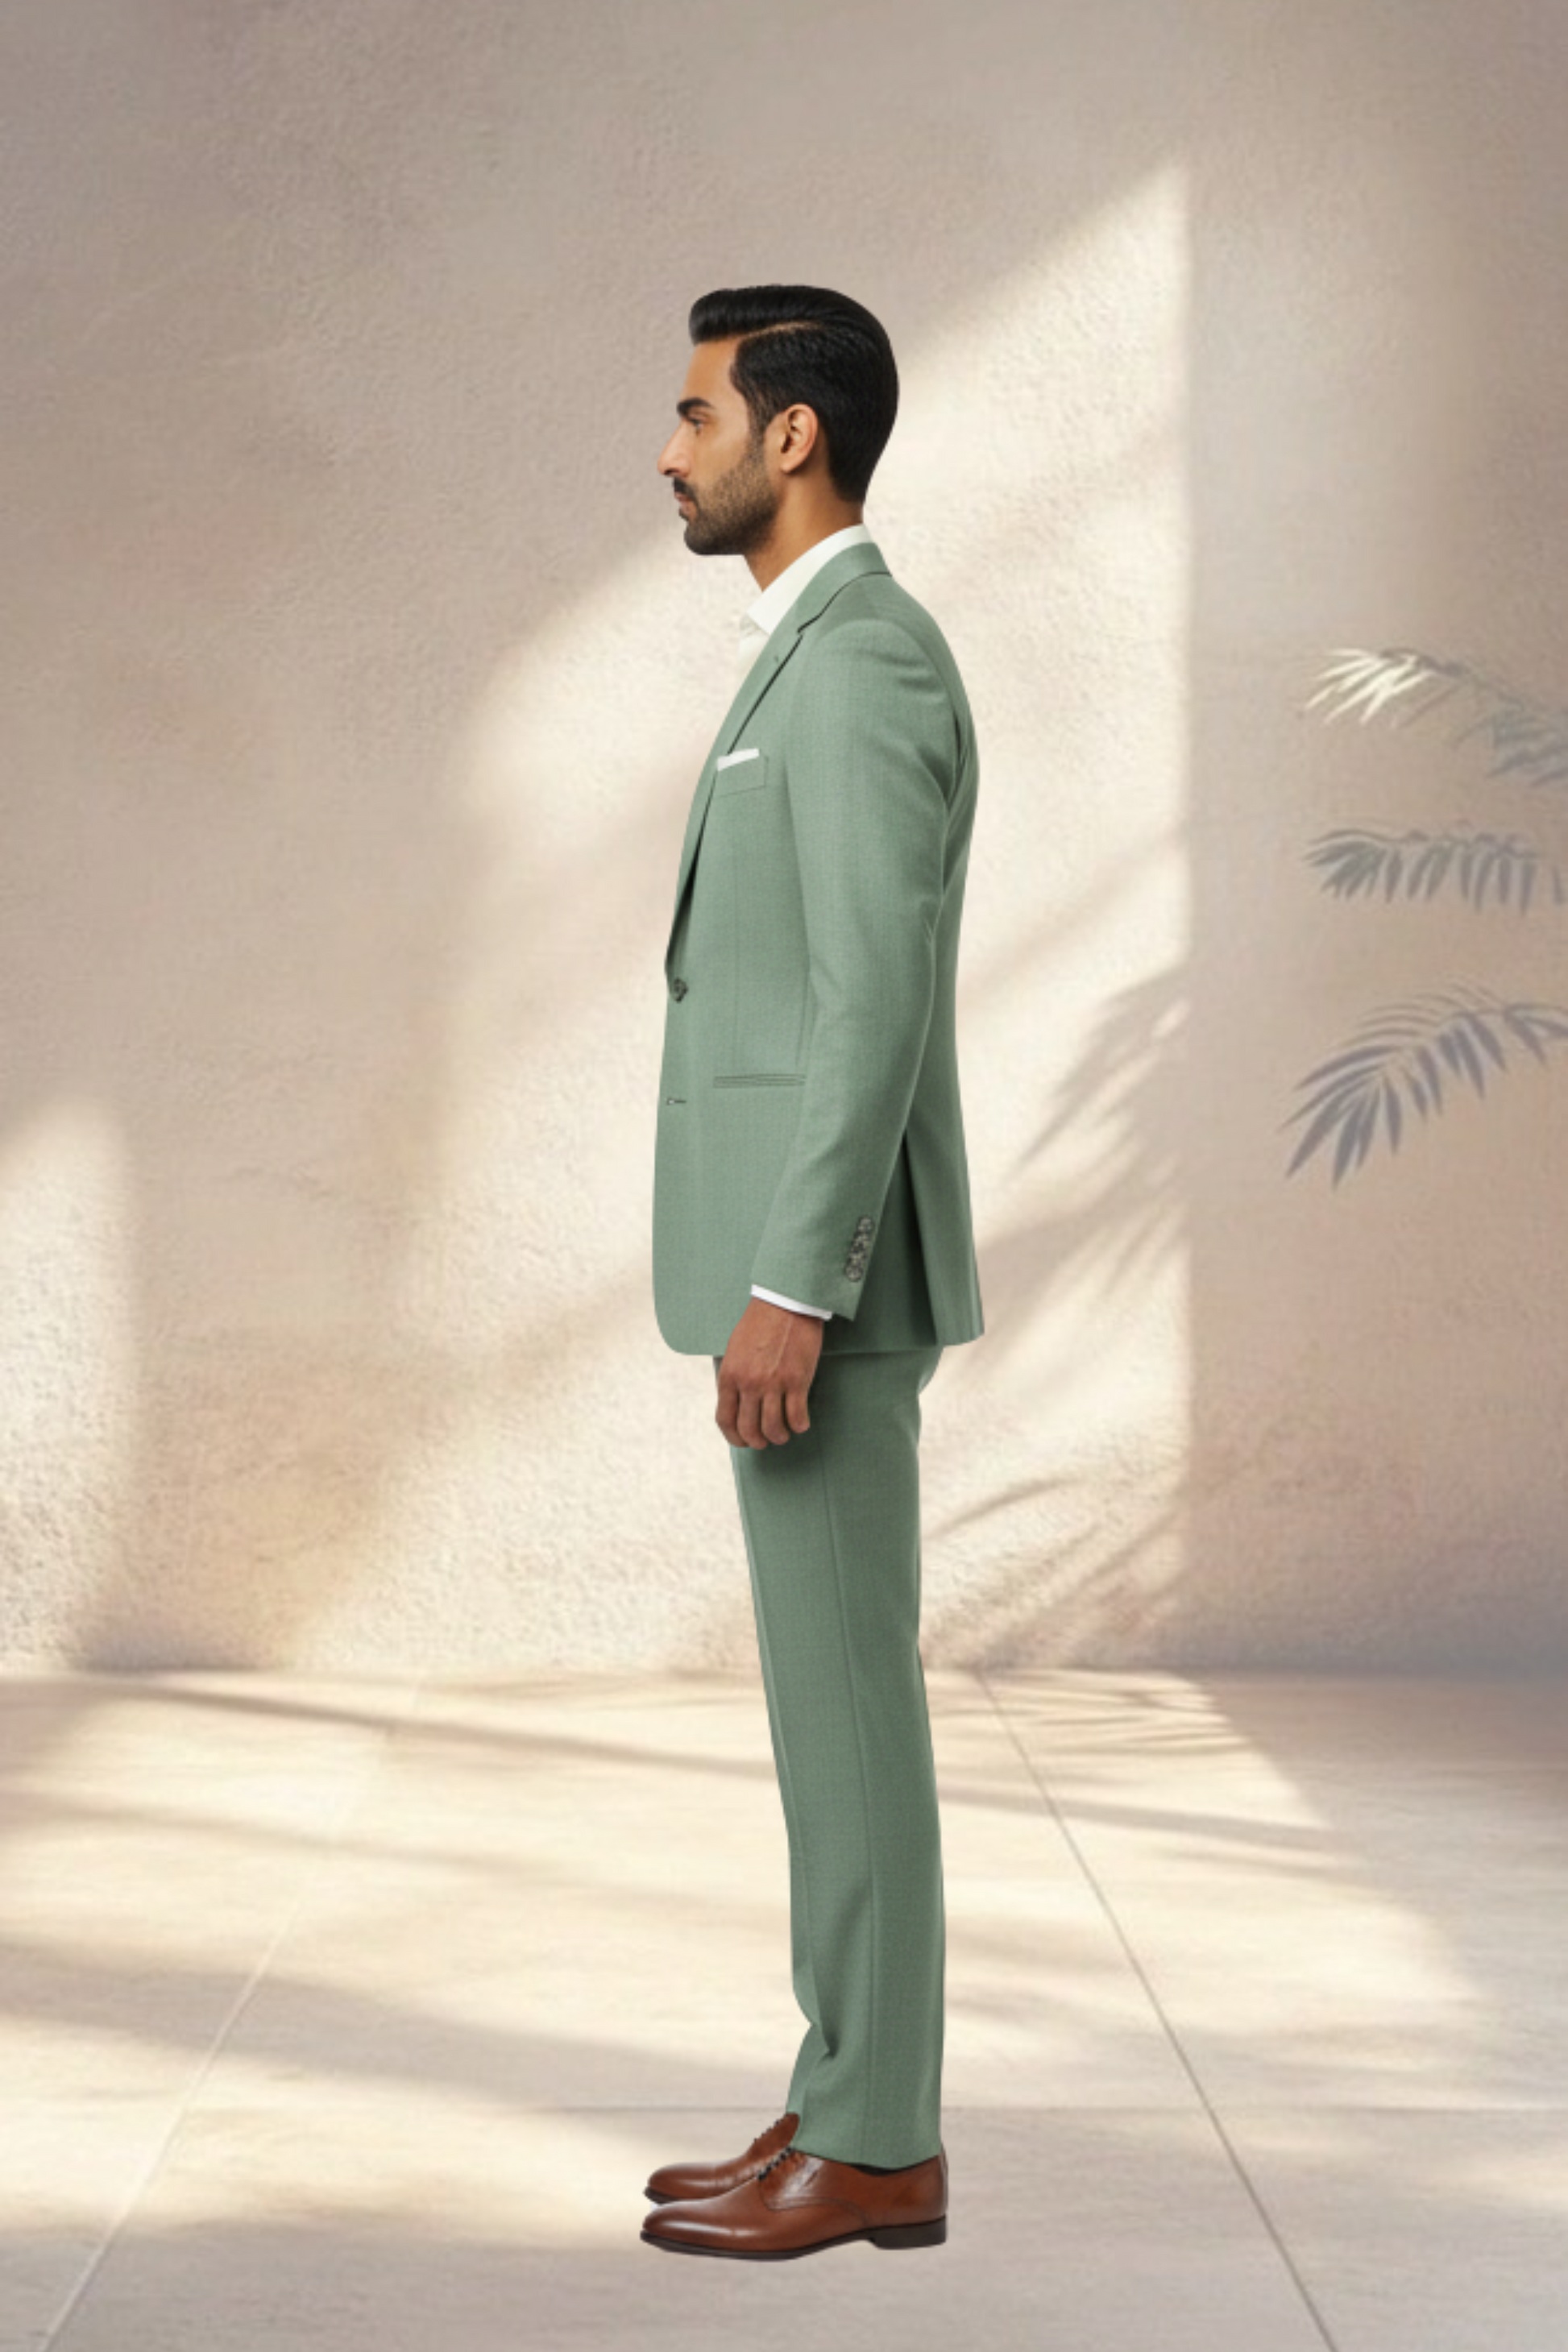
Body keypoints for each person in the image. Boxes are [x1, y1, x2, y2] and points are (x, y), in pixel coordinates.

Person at [641, 284, 985, 2260]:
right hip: (799, 1275)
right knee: (822, 1711)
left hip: (823, 1289)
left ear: (793, 437)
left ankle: (877, 2142)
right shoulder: (811, 648)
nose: (668, 449)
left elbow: (873, 1006)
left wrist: (796, 1282)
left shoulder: (865, 664)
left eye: (695, 414)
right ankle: (843, 2088)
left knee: (849, 1709)